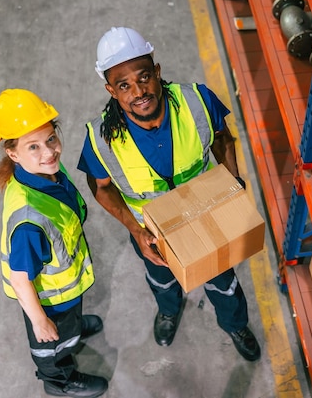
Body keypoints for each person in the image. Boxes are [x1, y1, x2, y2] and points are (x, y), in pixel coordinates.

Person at [77, 27, 261, 362]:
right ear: (111, 90)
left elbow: (224, 138)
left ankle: (235, 324)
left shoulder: (197, 100)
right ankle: (168, 311)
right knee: (161, 278)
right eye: (124, 85)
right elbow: (100, 188)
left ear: (157, 71)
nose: (139, 91)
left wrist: (233, 181)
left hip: (204, 215)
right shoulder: (101, 139)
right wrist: (136, 230)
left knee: (223, 281)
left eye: (144, 76)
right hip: (152, 232)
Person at [0, 89, 109, 397]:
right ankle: (59, 381)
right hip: (51, 300)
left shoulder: (44, 172)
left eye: (51, 139)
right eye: (33, 146)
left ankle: (75, 328)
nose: (49, 152)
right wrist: (40, 320)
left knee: (71, 325)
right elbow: (20, 279)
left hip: (66, 289)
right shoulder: (29, 223)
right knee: (53, 343)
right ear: (13, 154)